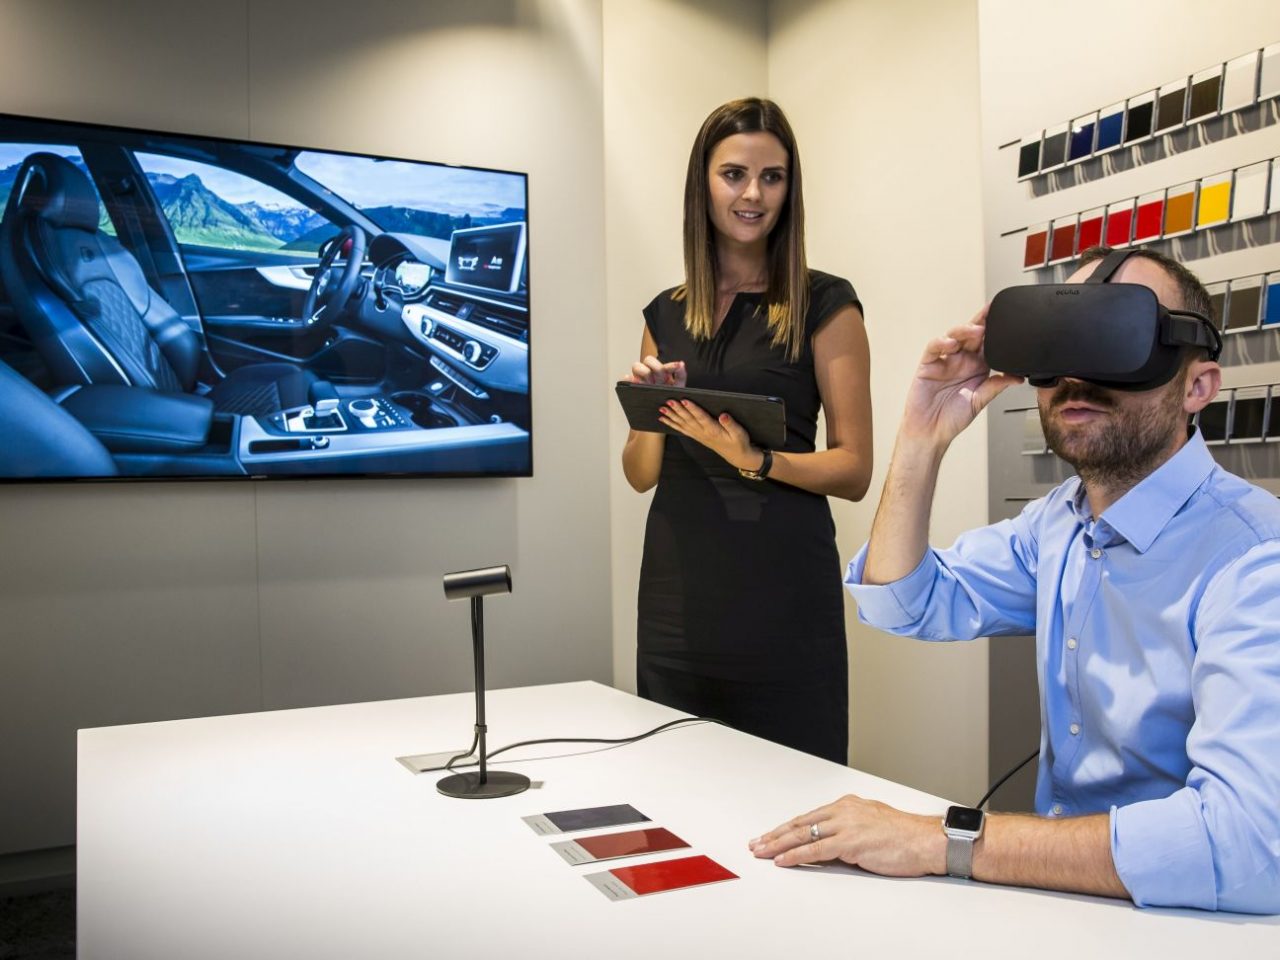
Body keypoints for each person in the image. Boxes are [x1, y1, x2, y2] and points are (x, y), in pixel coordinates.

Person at [748, 246, 1280, 913]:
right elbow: (902, 602)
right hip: (1059, 901)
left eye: (1114, 338)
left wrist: (946, 841)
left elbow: (1249, 845)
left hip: (1190, 922)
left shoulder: (1255, 560)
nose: (1077, 377)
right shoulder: (1057, 523)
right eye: (1061, 341)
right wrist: (922, 434)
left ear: (1197, 386)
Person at [621, 97, 873, 764]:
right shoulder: (665, 314)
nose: (753, 194)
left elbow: (853, 470)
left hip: (783, 605)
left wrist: (758, 460)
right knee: (677, 799)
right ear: (702, 182)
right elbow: (641, 473)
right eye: (734, 174)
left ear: (791, 188)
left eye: (773, 176)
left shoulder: (826, 304)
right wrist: (650, 411)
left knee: (793, 808)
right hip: (678, 605)